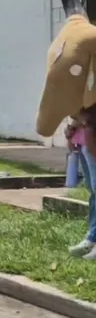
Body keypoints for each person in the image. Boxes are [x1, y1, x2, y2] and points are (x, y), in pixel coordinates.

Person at [70, 106, 96, 260]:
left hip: (92, 137)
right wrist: (73, 127)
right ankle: (92, 238)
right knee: (93, 192)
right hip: (83, 140)